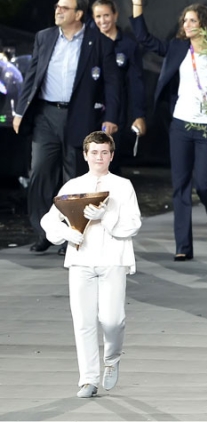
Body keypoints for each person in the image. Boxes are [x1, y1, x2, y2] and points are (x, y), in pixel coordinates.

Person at [13, 0, 121, 255]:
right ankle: (44, 233)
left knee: (74, 178)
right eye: (57, 6)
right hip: (45, 115)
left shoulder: (98, 42)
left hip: (79, 115)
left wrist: (111, 117)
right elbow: (32, 76)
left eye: (64, 7)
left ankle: (73, 235)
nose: (58, 10)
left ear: (78, 14)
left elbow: (112, 83)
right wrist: (19, 111)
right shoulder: (45, 37)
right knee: (39, 172)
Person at [40, 131, 141, 398]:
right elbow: (49, 220)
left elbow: (133, 224)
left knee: (112, 320)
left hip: (112, 259)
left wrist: (105, 217)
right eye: (94, 152)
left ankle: (112, 358)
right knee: (83, 321)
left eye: (104, 152)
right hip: (81, 259)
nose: (99, 157)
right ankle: (88, 379)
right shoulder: (73, 186)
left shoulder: (123, 186)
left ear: (111, 155)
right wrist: (66, 233)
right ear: (85, 155)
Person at [130, 0, 207, 261]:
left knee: (205, 185)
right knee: (180, 186)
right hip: (181, 124)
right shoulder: (177, 48)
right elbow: (145, 39)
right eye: (185, 20)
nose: (187, 24)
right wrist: (137, 4)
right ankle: (183, 247)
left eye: (193, 20)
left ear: (204, 24)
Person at [65, 0, 146, 169]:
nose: (102, 21)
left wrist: (139, 115)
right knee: (84, 161)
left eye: (106, 16)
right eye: (98, 17)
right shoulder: (88, 37)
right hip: (86, 108)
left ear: (116, 15)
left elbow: (136, 82)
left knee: (109, 162)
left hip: (113, 110)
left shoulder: (127, 45)